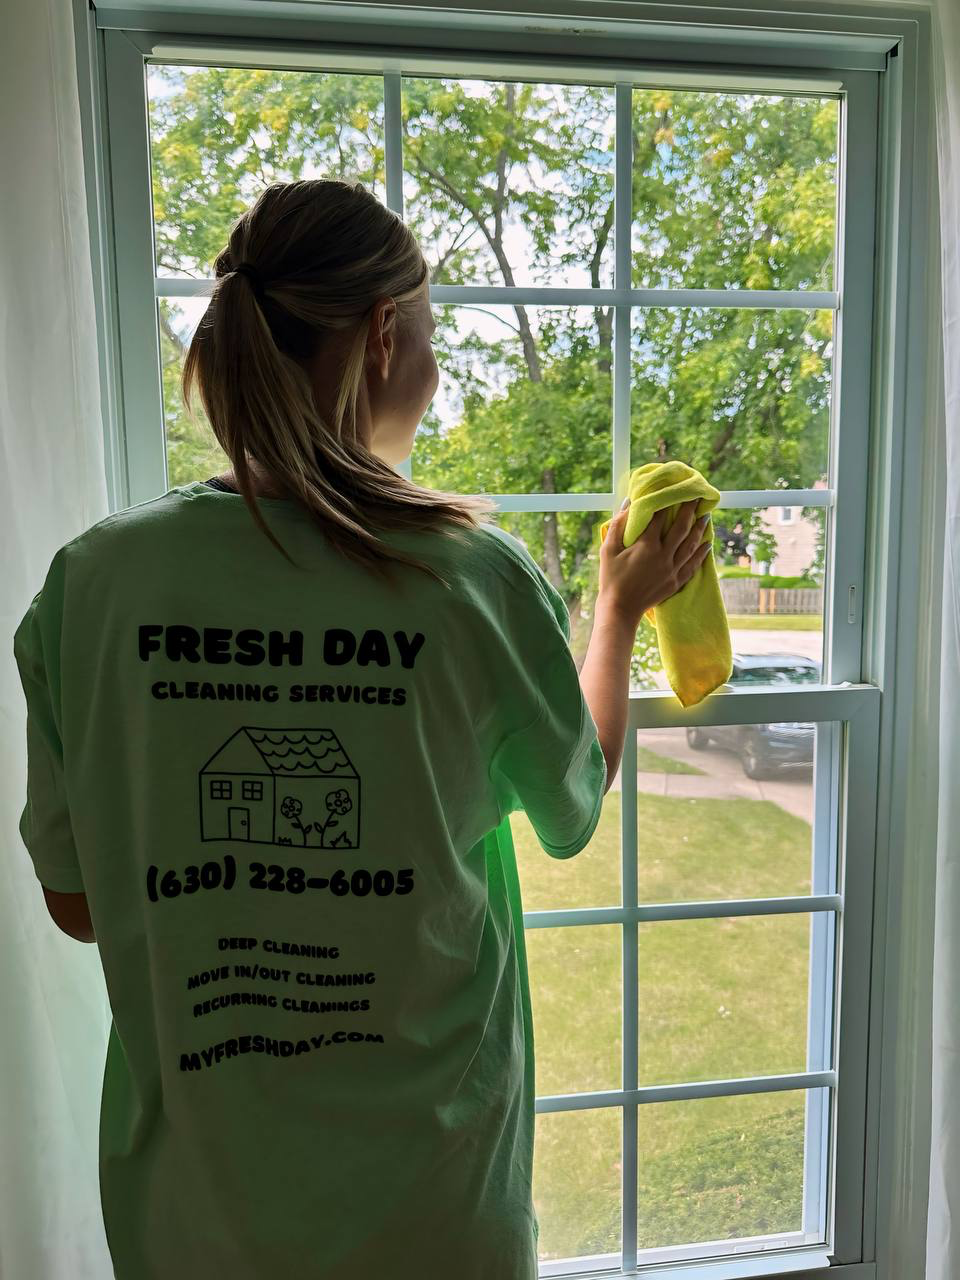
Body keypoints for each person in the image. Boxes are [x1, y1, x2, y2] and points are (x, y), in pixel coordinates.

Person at [13, 178, 711, 1279]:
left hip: (190, 1210)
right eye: (432, 335)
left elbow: (77, 902)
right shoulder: (467, 578)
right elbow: (572, 804)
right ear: (385, 334)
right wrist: (617, 612)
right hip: (431, 1205)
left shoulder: (92, 583)